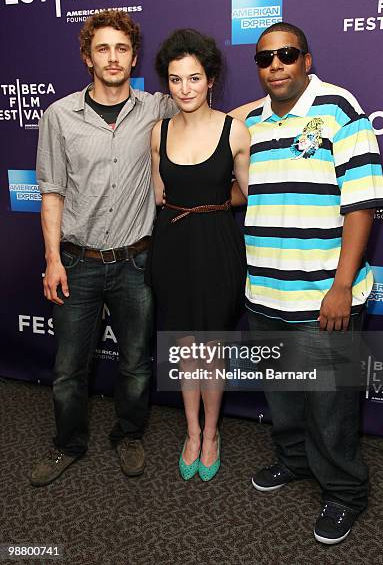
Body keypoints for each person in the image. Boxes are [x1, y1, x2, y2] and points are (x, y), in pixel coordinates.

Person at [230, 22, 383, 543]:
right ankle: (294, 460)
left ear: (307, 59)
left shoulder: (339, 109)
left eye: (287, 55)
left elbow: (361, 203)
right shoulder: (252, 120)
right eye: (265, 58)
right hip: (266, 292)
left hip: (324, 294)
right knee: (284, 394)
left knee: (331, 404)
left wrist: (341, 286)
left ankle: (345, 492)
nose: (275, 65)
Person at [31, 10, 177, 487]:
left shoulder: (157, 108)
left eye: (121, 48)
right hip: (78, 260)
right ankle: (68, 444)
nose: (113, 58)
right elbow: (51, 191)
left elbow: (212, 117)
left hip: (137, 260)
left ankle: (129, 434)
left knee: (136, 362)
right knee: (68, 368)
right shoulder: (59, 116)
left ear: (134, 56)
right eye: (103, 49)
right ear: (87, 57)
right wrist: (53, 260)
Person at [148, 29, 250, 481]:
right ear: (166, 83)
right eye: (175, 80)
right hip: (172, 246)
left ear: (210, 79)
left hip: (217, 247)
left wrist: (209, 205)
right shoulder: (159, 131)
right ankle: (190, 431)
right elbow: (159, 195)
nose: (184, 89)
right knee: (186, 348)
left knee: (213, 348)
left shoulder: (235, 130)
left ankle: (212, 434)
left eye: (194, 78)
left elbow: (246, 194)